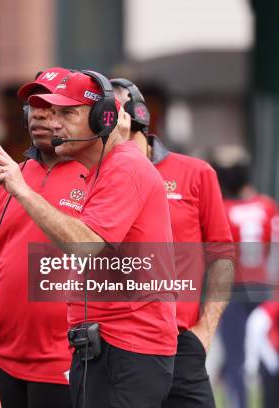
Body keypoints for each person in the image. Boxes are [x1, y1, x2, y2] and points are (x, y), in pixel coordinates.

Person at [0, 70, 177, 408]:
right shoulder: (103, 169)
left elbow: (85, 244)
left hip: (127, 350)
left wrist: (23, 191)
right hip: (105, 345)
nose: (53, 123)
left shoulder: (125, 167)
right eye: (51, 112)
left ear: (102, 117)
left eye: (67, 113)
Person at [0, 67, 85, 408]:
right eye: (34, 105)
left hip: (67, 360)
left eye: (51, 106)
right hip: (7, 360)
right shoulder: (14, 175)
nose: (39, 113)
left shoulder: (99, 175)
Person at [111, 78, 235, 408]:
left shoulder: (195, 173)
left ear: (133, 116)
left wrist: (205, 329)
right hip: (121, 344)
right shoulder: (95, 179)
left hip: (181, 341)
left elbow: (222, 254)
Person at [213, 153, 277, 408]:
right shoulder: (267, 205)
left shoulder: (224, 210)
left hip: (234, 289)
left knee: (235, 357)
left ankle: (238, 403)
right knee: (265, 349)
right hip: (263, 286)